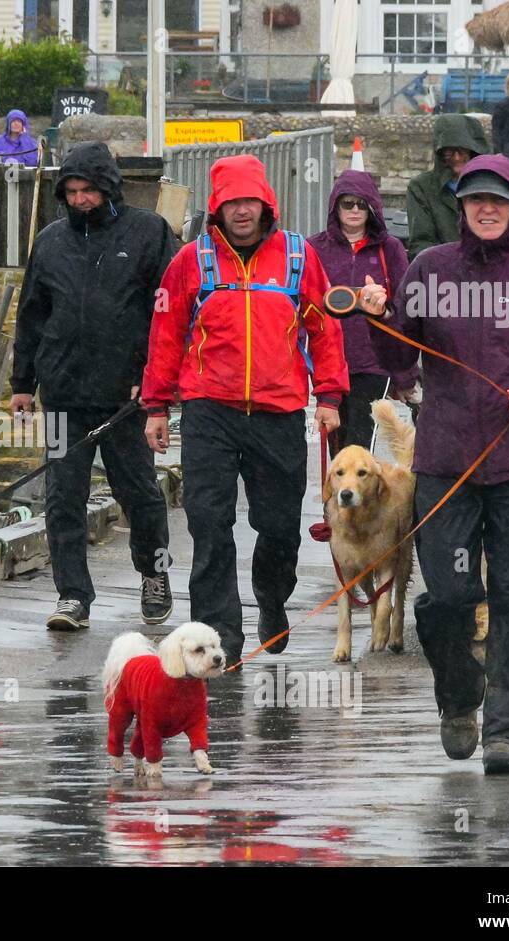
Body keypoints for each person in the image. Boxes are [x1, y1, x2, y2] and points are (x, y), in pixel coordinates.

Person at [362, 155, 509, 775]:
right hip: (447, 466)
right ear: (460, 208)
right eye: (476, 200)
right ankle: (458, 696)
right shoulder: (430, 269)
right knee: (450, 597)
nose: (488, 210)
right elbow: (397, 357)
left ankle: (507, 730)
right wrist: (378, 316)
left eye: (500, 201)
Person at [143, 155, 348, 665]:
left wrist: (329, 397)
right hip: (209, 411)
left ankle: (272, 601)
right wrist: (155, 406)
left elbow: (325, 330)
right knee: (209, 524)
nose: (241, 212)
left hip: (278, 411)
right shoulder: (190, 261)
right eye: (231, 202)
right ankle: (220, 638)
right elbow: (165, 337)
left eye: (249, 201)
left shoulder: (299, 257)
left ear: (266, 204)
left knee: (278, 526)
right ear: (216, 207)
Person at [10, 142, 176, 632]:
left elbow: (167, 313)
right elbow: (32, 313)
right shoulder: (51, 241)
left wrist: (154, 381)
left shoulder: (149, 233)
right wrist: (23, 383)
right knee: (63, 500)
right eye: (73, 191)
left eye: (89, 190)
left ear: (109, 188)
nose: (81, 199)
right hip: (63, 395)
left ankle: (155, 575)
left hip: (125, 397)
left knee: (141, 496)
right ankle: (73, 597)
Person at [308, 169, 411, 451]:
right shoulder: (313, 248)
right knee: (337, 445)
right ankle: (343, 495)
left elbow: (403, 309)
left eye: (361, 204)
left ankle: (360, 495)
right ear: (335, 207)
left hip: (373, 362)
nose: (354, 210)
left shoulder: (390, 248)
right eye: (347, 203)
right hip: (328, 361)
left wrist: (405, 373)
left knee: (360, 445)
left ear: (372, 209)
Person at [405, 113, 509, 260]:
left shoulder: (495, 181)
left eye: (462, 151)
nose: (456, 157)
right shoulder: (422, 188)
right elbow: (421, 242)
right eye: (449, 152)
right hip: (447, 275)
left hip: (496, 267)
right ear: (439, 153)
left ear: (473, 151)